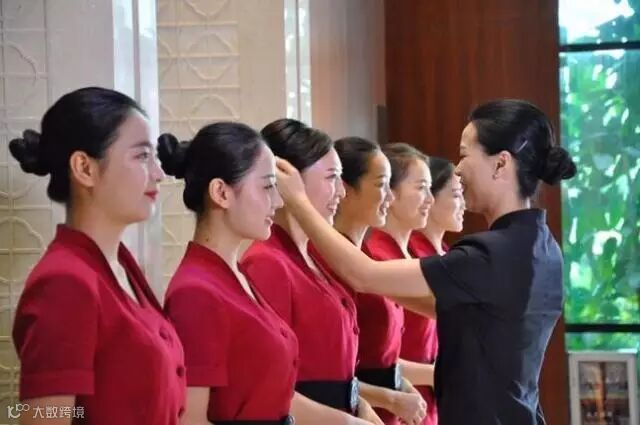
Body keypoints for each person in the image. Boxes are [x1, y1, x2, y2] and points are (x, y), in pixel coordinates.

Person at [272, 99, 577, 424]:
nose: (457, 170)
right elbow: (446, 309)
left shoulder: (493, 254)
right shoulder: (543, 247)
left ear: (501, 164)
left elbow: (363, 274)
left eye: (464, 155)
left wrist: (298, 200)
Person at [10, 87, 186, 425]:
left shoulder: (121, 265)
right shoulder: (65, 283)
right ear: (84, 168)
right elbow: (42, 416)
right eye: (142, 156)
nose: (159, 174)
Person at [241, 119, 380, 424]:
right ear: (290, 181)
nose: (341, 192)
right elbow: (271, 385)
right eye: (332, 178)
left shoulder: (316, 256)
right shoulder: (267, 263)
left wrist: (361, 407)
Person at [159, 122, 298, 424]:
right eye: (267, 186)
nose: (278, 201)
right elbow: (190, 420)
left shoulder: (236, 275)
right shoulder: (196, 293)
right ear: (221, 192)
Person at [326, 137, 428, 425]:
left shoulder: (368, 261)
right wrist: (390, 398)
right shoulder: (334, 265)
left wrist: (401, 386)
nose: (389, 198)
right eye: (382, 185)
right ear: (346, 190)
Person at [405, 156, 465, 425]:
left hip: (439, 398)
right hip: (411, 397)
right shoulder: (413, 259)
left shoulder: (448, 256)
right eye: (455, 194)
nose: (463, 204)